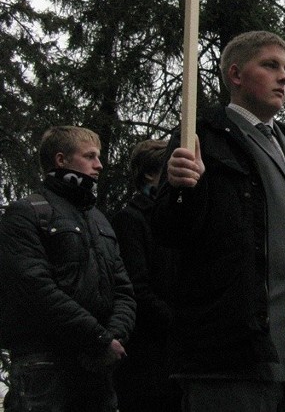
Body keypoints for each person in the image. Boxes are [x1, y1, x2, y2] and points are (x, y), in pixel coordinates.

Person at [152, 31, 285, 412]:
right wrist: (180, 188)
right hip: (234, 352)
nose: (284, 77)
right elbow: (169, 230)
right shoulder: (200, 136)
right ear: (235, 74)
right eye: (270, 65)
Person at [0, 126, 136, 412]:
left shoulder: (100, 221)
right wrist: (99, 339)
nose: (99, 165)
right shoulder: (26, 214)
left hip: (97, 370)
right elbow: (35, 289)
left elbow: (123, 290)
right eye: (90, 156)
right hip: (45, 365)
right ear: (61, 160)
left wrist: (114, 336)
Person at [111, 139, 181, 412]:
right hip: (147, 358)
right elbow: (135, 287)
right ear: (151, 174)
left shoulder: (176, 218)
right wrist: (178, 322)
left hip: (174, 356)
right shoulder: (130, 220)